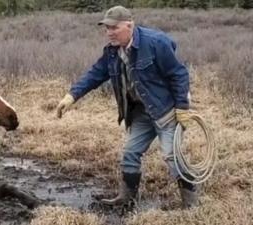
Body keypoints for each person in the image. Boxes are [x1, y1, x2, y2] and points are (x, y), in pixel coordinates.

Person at [56, 5, 197, 208]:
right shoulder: (112, 52)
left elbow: (179, 74)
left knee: (171, 155)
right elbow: (95, 74)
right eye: (107, 28)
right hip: (140, 112)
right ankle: (126, 199)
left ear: (129, 25)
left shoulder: (156, 42)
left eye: (114, 28)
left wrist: (182, 106)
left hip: (166, 111)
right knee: (130, 153)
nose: (109, 33)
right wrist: (71, 96)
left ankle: (190, 204)